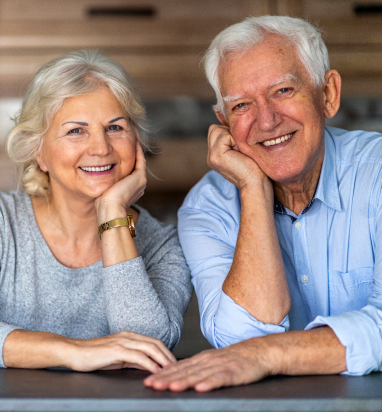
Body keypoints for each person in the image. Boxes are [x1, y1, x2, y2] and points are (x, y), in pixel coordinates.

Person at [144, 15, 382, 392]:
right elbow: (240, 339)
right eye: (241, 106)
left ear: (328, 94)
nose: (267, 121)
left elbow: (250, 353)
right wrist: (253, 188)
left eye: (283, 90)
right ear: (223, 123)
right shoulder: (208, 207)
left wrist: (268, 354)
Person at [0, 50, 193, 373]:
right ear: (40, 153)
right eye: (76, 130)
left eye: (115, 128)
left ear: (136, 142)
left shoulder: (163, 244)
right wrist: (74, 351)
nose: (101, 148)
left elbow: (146, 347)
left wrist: (111, 214)